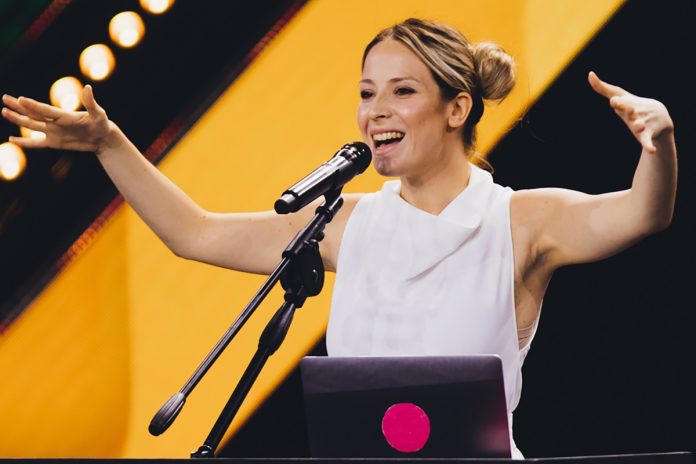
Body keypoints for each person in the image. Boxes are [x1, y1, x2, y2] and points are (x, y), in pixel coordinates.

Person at [1, 18, 677, 459]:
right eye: (366, 93)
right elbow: (193, 233)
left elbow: (641, 214)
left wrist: (660, 145)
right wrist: (109, 144)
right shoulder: (345, 223)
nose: (375, 111)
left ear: (456, 109)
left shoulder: (520, 221)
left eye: (401, 92)